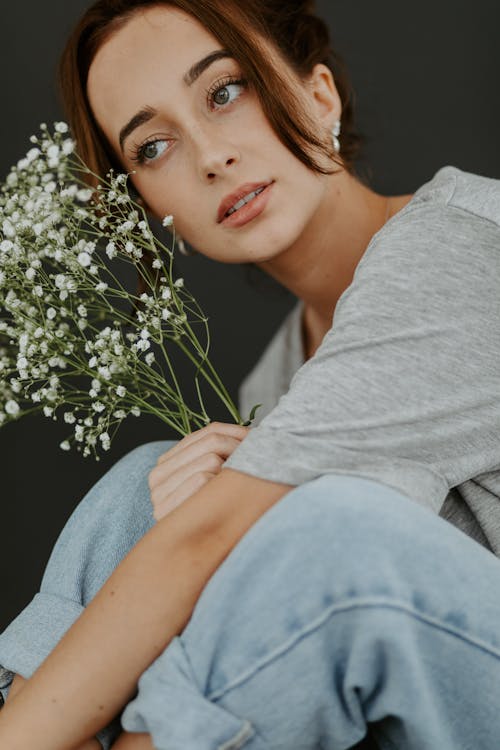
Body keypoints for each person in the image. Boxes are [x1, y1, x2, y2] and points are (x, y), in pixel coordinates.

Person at [1, 0, 500, 748]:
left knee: (327, 534)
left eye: (225, 92)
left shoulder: (461, 251)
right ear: (146, 207)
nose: (207, 155)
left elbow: (214, 544)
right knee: (151, 484)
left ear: (319, 94)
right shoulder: (277, 381)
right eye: (152, 148)